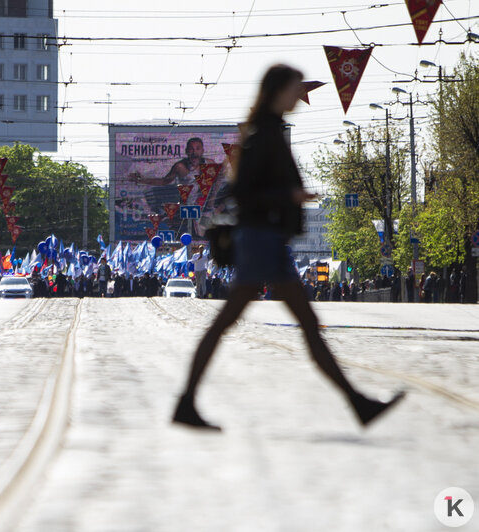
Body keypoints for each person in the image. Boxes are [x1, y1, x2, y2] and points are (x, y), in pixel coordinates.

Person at [173, 65, 404, 431]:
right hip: (260, 238)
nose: (300, 94)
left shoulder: (267, 129)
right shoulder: (263, 133)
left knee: (299, 324)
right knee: (242, 322)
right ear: (278, 90)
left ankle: (358, 404)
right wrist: (291, 194)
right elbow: (244, 191)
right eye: (295, 87)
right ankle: (185, 403)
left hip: (267, 239)